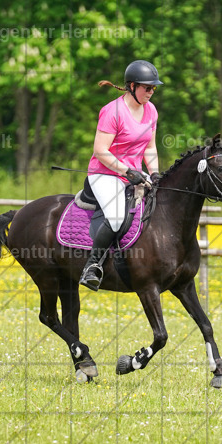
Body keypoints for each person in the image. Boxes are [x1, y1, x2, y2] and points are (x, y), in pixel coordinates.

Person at [79, 59, 163, 290]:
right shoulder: (112, 111)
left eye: (154, 88)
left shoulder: (151, 110)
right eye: (147, 87)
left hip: (135, 173)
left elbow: (150, 147)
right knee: (116, 217)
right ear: (132, 86)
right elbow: (100, 150)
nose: (151, 92)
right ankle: (92, 266)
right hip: (105, 174)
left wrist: (155, 173)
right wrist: (127, 170)